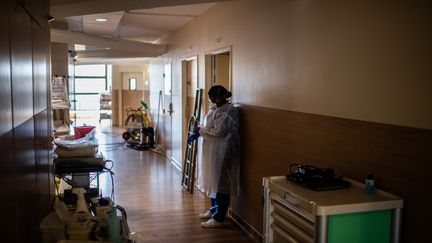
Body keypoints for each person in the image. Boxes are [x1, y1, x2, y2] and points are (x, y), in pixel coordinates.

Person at [188, 85, 240, 228]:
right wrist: (199, 130)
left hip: (224, 151)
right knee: (212, 180)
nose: (211, 100)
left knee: (221, 183)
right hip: (213, 151)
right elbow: (209, 126)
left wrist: (201, 131)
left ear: (221, 97)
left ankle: (219, 218)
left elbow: (219, 132)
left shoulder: (229, 111)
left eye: (212, 97)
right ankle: (213, 210)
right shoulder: (215, 109)